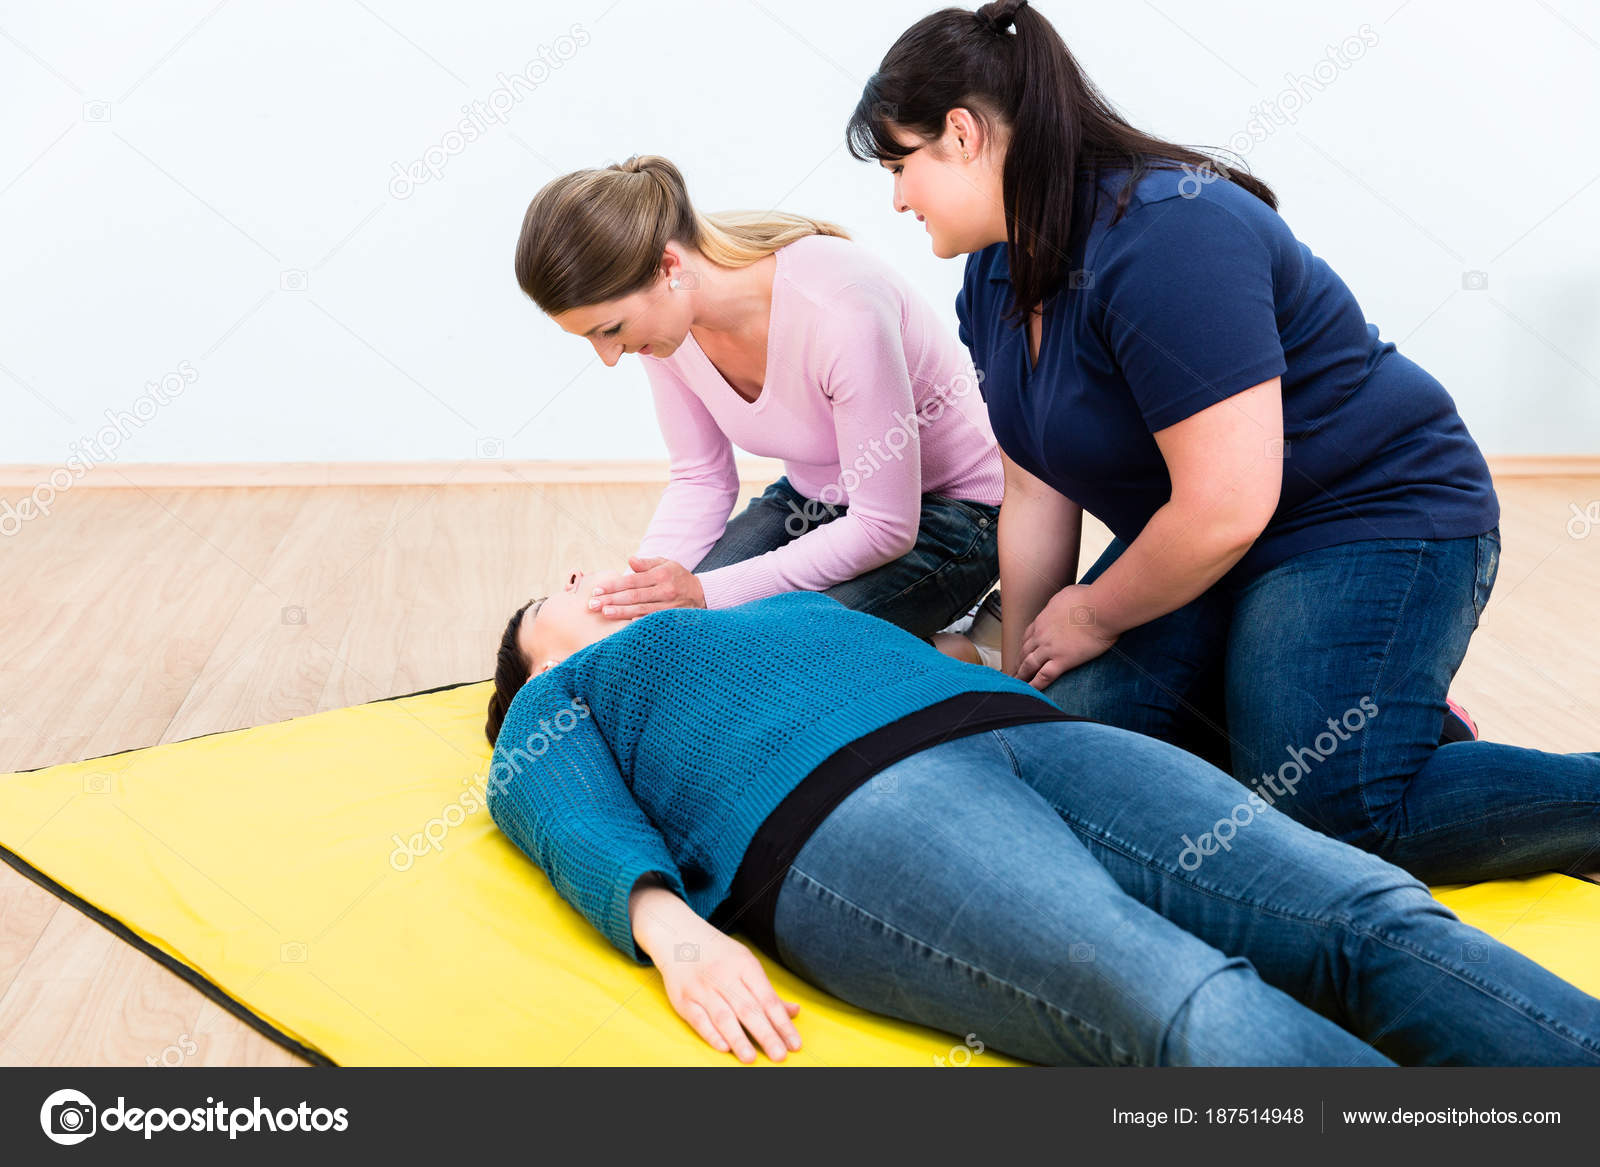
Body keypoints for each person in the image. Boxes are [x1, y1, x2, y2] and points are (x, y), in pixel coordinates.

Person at [843, 0, 1599, 881]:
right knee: (1071, 764)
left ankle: (1390, 743)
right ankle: (1380, 717)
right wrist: (1026, 689)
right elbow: (1035, 491)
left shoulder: (1169, 233)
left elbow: (1231, 502)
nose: (896, 196)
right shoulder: (993, 274)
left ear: (964, 135)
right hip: (1197, 544)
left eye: (901, 164)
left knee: (1327, 817)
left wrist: (1092, 611)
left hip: (1364, 515)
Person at [479, 574, 1600, 1067]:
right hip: (851, 813)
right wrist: (675, 934)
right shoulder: (564, 691)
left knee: (1370, 913)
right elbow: (547, 798)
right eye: (560, 592)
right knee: (1180, 993)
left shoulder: (766, 611)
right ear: (539, 651)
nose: (593, 575)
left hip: (1042, 739)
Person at [512, 155, 1004, 642]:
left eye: (610, 330)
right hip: (816, 501)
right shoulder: (664, 329)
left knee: (756, 649)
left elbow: (885, 526)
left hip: (951, 514)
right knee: (669, 632)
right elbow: (701, 478)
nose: (609, 356)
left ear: (669, 267)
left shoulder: (839, 308)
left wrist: (705, 591)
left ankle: (969, 653)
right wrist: (644, 593)